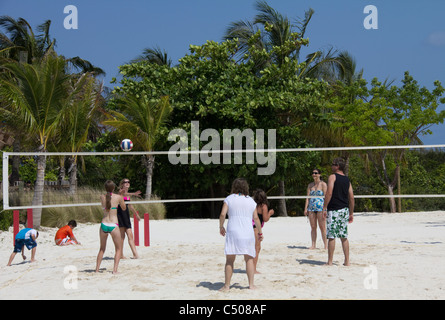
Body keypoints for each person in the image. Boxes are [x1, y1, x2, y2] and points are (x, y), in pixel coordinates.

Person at [219, 178, 263, 291]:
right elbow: (256, 218)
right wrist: (260, 232)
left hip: (233, 231)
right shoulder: (251, 201)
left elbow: (223, 214)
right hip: (247, 232)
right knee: (249, 259)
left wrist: (221, 226)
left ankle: (227, 286)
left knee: (229, 260)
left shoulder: (229, 199)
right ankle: (251, 285)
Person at [322, 158, 354, 266]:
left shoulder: (332, 177)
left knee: (331, 236)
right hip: (344, 210)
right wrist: (351, 213)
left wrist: (324, 207)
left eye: (333, 164)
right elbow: (352, 197)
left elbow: (329, 193)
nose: (331, 166)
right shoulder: (347, 179)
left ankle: (330, 261)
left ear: (338, 166)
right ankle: (347, 261)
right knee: (344, 237)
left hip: (334, 210)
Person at [95, 180, 127, 274]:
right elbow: (124, 208)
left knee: (102, 249)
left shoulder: (102, 197)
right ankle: (115, 270)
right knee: (118, 249)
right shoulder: (118, 197)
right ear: (114, 188)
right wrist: (121, 196)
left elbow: (106, 202)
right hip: (114, 224)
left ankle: (97, 270)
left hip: (104, 224)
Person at [117, 178, 142, 259]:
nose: (127, 183)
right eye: (125, 182)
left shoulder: (127, 194)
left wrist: (136, 214)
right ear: (122, 184)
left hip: (126, 216)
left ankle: (135, 254)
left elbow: (130, 205)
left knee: (130, 235)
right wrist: (134, 194)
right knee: (122, 237)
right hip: (120, 216)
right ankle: (120, 254)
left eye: (128, 182)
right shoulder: (121, 192)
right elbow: (122, 195)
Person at [304, 169, 328, 249]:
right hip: (311, 208)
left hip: (320, 208)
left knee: (322, 227)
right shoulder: (310, 185)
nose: (314, 174)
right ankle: (313, 245)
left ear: (319, 174)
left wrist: (325, 208)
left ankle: (326, 245)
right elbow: (308, 198)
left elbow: (326, 197)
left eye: (315, 173)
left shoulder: (323, 184)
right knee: (313, 227)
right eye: (313, 173)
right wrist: (305, 208)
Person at [252, 189, 274, 274]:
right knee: (256, 249)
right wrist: (270, 213)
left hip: (249, 228)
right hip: (256, 229)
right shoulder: (263, 206)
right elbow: (265, 219)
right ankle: (253, 269)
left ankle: (251, 267)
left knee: (253, 248)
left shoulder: (252, 205)